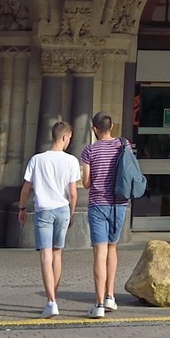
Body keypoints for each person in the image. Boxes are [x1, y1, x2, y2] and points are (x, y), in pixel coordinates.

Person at [18, 117, 81, 316]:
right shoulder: (71, 161)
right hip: (63, 209)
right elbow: (73, 192)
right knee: (57, 254)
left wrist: (21, 208)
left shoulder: (37, 160)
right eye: (69, 138)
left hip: (43, 209)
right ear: (64, 137)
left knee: (45, 255)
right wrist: (72, 212)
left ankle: (51, 302)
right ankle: (55, 296)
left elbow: (26, 188)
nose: (69, 141)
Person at [81, 111, 128, 317]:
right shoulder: (123, 146)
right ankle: (110, 296)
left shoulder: (89, 151)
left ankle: (99, 304)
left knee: (99, 253)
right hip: (119, 204)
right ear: (112, 126)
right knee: (112, 249)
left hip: (98, 204)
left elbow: (86, 183)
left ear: (94, 129)